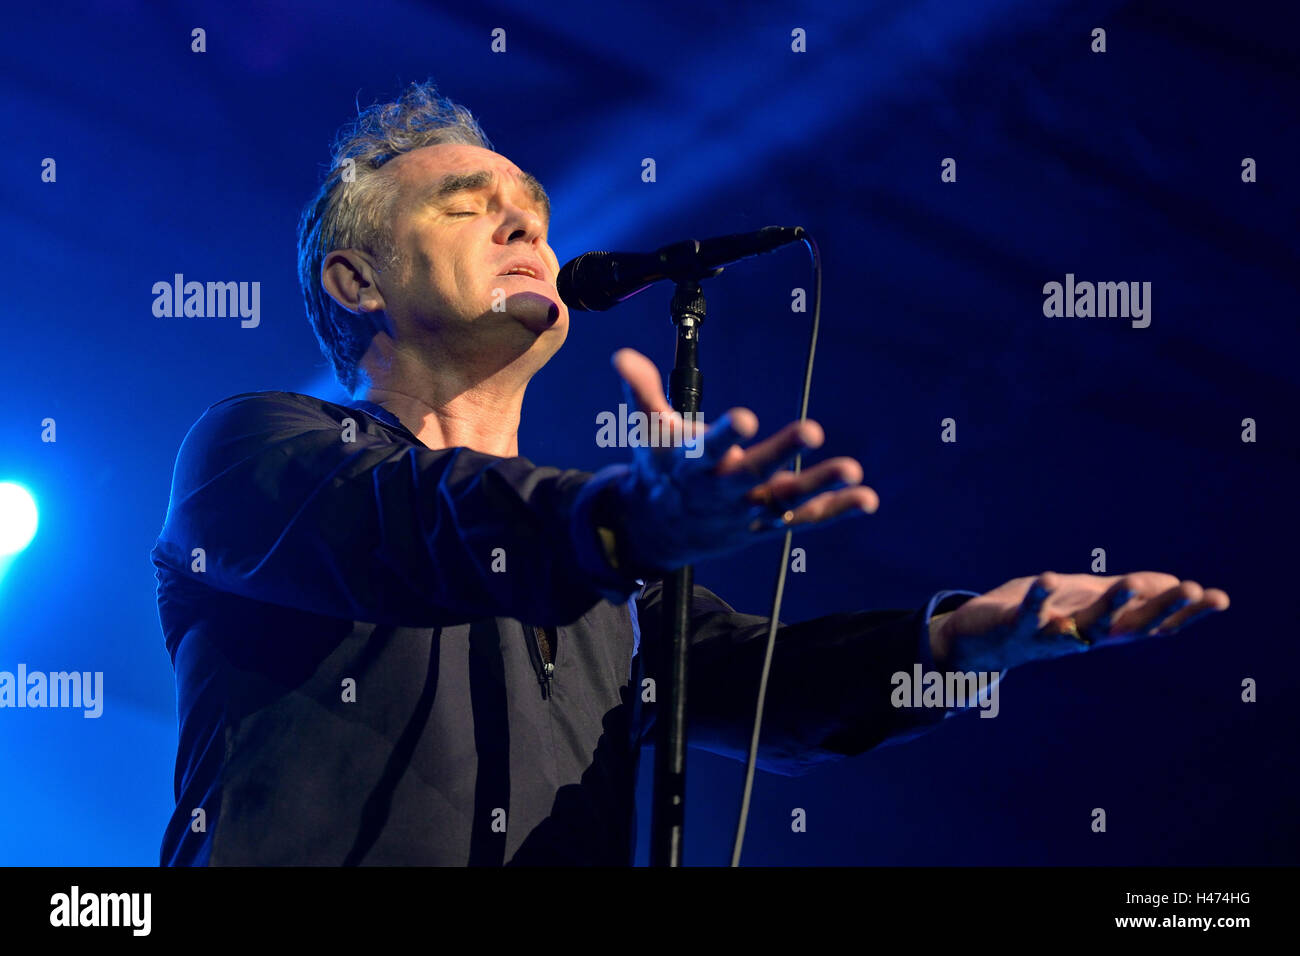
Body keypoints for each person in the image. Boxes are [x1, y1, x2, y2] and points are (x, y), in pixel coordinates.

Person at [151, 81, 1229, 866]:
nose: (525, 220)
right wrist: (634, 518)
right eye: (466, 205)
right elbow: (415, 527)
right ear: (356, 280)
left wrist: (959, 641)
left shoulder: (609, 564)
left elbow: (769, 685)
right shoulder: (251, 449)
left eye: (530, 204)